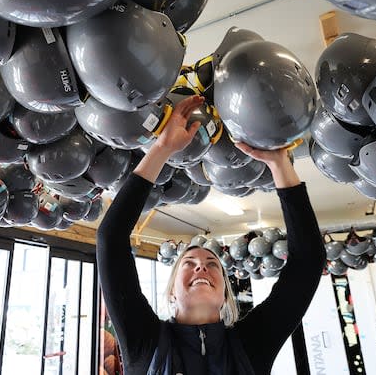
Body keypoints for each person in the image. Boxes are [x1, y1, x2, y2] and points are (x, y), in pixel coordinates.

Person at [96, 95, 326, 375]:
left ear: (226, 298)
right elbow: (309, 261)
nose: (202, 266)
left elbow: (112, 238)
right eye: (189, 264)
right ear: (171, 293)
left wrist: (162, 148)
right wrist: (280, 165)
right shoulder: (146, 345)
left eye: (211, 264)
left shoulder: (251, 343)